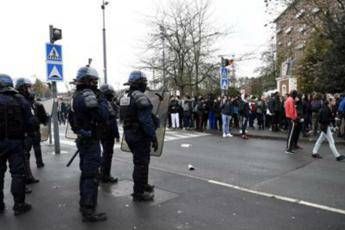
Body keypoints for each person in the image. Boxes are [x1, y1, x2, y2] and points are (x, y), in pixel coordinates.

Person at [68, 66, 109, 222]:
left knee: (86, 173)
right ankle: (88, 210)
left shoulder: (76, 95)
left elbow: (72, 120)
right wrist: (103, 99)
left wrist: (80, 130)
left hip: (83, 139)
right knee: (91, 175)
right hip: (91, 140)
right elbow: (103, 115)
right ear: (88, 81)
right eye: (94, 80)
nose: (96, 83)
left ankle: (84, 203)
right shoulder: (88, 95)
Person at [120, 70, 158, 202]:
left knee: (141, 161)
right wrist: (153, 136)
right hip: (139, 135)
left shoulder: (126, 97)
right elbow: (145, 120)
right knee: (141, 163)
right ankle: (139, 193)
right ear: (140, 83)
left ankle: (143, 184)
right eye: (144, 82)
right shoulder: (139, 96)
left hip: (129, 133)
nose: (145, 85)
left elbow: (124, 116)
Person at [0, 74, 33, 215]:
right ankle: (19, 204)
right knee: (18, 174)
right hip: (16, 143)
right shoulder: (20, 100)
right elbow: (31, 122)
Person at [15, 78, 41, 185]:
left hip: (30, 132)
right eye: (28, 87)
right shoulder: (18, 100)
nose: (30, 89)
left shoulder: (28, 100)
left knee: (26, 156)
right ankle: (24, 181)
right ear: (22, 88)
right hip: (23, 133)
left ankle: (28, 176)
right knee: (22, 157)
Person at [99, 84, 120, 184]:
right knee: (107, 154)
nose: (112, 95)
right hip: (108, 133)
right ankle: (105, 175)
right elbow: (112, 121)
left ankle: (102, 173)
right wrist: (116, 134)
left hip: (102, 132)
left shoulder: (102, 102)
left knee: (105, 154)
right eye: (111, 93)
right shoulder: (106, 104)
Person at [285, 90, 298, 154]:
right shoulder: (291, 100)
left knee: (290, 133)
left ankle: (289, 147)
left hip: (289, 117)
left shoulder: (288, 99)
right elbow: (291, 110)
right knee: (291, 134)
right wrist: (293, 118)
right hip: (291, 118)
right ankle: (288, 148)